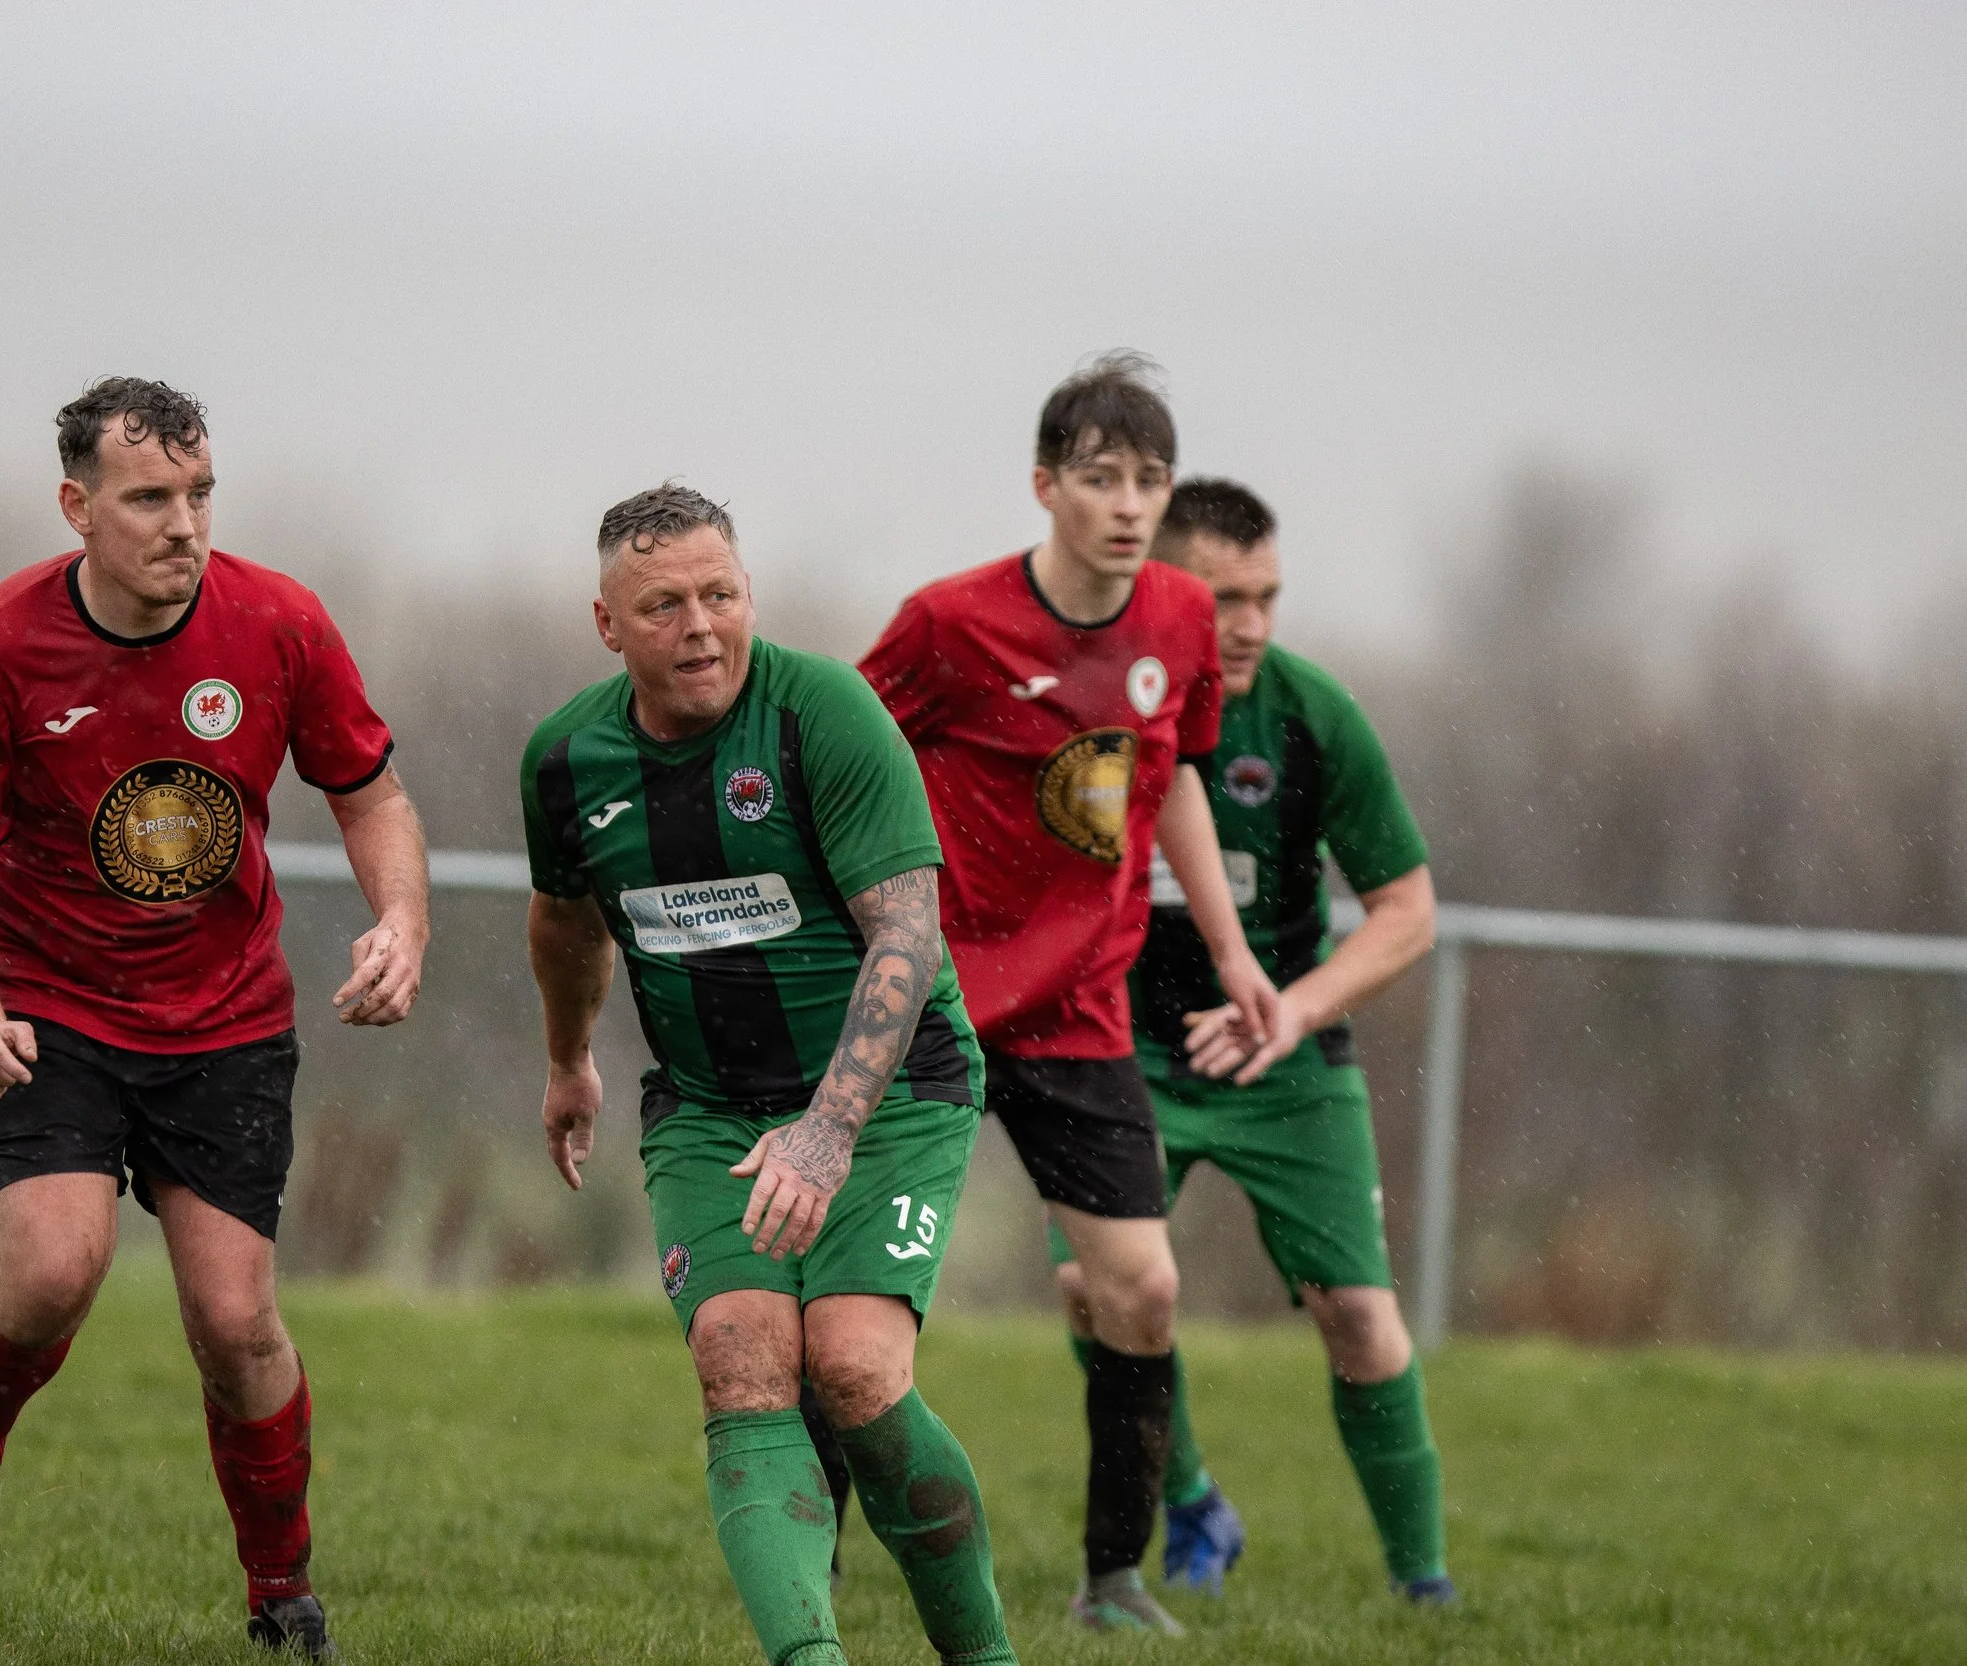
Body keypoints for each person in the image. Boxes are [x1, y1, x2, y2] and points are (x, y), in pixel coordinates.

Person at [0, 377, 430, 1657]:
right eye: (150, 498)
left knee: (236, 1323)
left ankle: (280, 1596)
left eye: (201, 493)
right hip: (53, 1014)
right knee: (54, 1268)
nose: (185, 524)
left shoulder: (280, 624)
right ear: (77, 507)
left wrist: (402, 924)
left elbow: (375, 799)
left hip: (225, 1019)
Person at [522, 484, 1017, 1666]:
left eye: (720, 595)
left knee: (850, 1365)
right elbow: (565, 924)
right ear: (606, 624)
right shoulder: (565, 758)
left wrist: (826, 1132)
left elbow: (905, 936)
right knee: (740, 1356)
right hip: (705, 1105)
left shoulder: (824, 714)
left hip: (891, 1090)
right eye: (663, 604)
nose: (699, 626)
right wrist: (566, 1060)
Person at [854, 354, 1281, 1633]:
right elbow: (842, 751)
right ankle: (809, 1554)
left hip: (1077, 1012)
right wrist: (867, 928)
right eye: (1100, 478)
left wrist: (1235, 950)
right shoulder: (948, 623)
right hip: (928, 1002)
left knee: (1140, 1290)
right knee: (850, 1305)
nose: (1129, 502)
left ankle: (1110, 1579)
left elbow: (1182, 782)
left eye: (1149, 479)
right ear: (1044, 486)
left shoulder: (1184, 622)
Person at [1057, 477, 1452, 1604]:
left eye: (1267, 596)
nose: (1249, 624)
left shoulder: (1311, 713)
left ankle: (1425, 1592)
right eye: (1224, 597)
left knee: (1361, 1318)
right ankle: (1188, 1502)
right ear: (1159, 586)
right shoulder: (1096, 705)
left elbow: (1408, 910)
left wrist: (1297, 1009)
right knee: (1096, 1288)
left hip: (1285, 1062)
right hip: (1118, 1052)